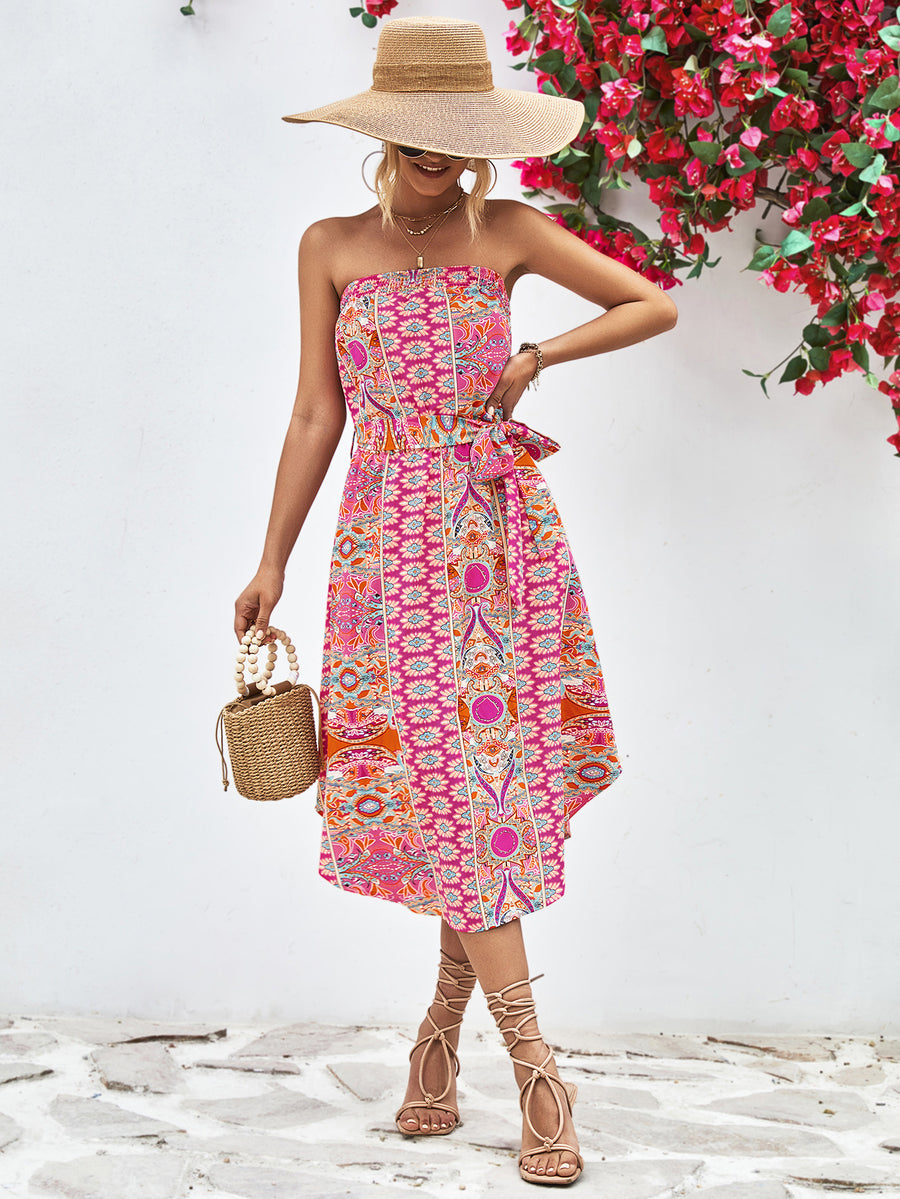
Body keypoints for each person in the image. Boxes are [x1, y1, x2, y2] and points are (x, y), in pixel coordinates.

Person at [233, 15, 677, 1187]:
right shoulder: (329, 246)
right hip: (382, 550)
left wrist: (537, 359)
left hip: (495, 540)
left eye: (457, 135)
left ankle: (523, 1063)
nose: (438, 154)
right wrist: (272, 558)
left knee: (476, 795)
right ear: (384, 130)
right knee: (451, 794)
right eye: (417, 133)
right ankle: (453, 1037)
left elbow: (651, 305)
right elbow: (315, 413)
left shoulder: (509, 230)